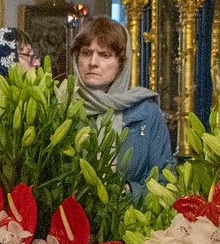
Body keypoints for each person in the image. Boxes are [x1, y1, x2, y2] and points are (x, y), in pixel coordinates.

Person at [71, 16, 173, 192]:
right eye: (86, 53)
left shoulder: (147, 113)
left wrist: (124, 192)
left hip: (131, 216)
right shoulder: (62, 107)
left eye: (105, 55)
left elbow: (165, 183)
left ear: (121, 64)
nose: (93, 63)